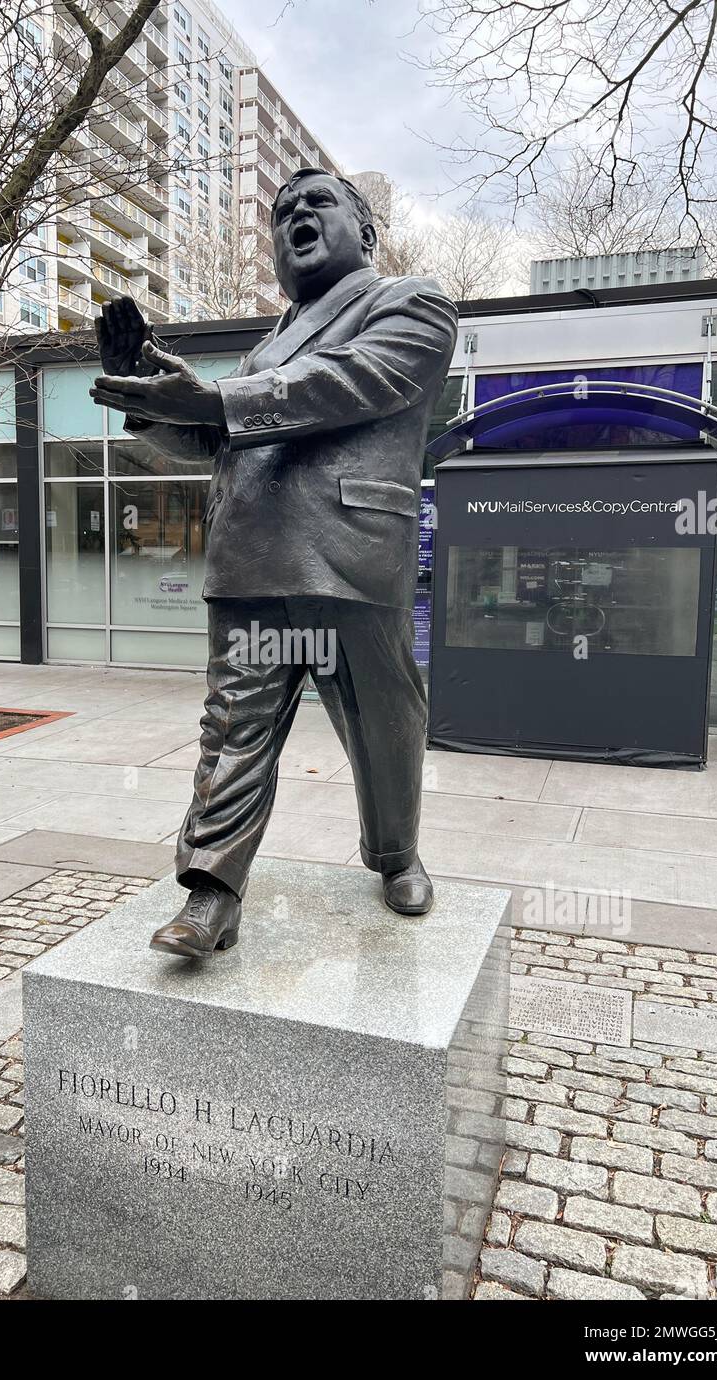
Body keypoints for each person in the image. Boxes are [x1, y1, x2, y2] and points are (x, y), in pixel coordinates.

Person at [92, 168, 458, 958]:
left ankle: (395, 854)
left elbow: (347, 383)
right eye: (282, 211)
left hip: (348, 562)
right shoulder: (265, 350)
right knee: (233, 728)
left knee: (382, 723)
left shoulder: (409, 304)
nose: (295, 216)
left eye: (315, 204)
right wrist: (147, 392)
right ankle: (211, 893)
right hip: (252, 561)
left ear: (364, 231)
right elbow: (214, 436)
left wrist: (215, 399)